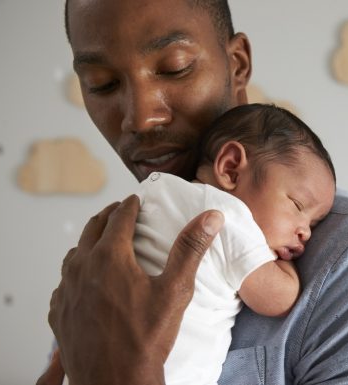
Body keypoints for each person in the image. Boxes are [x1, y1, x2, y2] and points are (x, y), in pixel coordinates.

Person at [39, 0, 348, 384]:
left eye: (175, 67)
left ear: (236, 64)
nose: (142, 117)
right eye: (103, 83)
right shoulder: (105, 256)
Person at [134, 103, 335, 385]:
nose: (305, 232)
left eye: (313, 224)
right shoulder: (228, 216)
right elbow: (279, 299)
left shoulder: (155, 192)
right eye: (297, 205)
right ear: (230, 169)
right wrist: (283, 263)